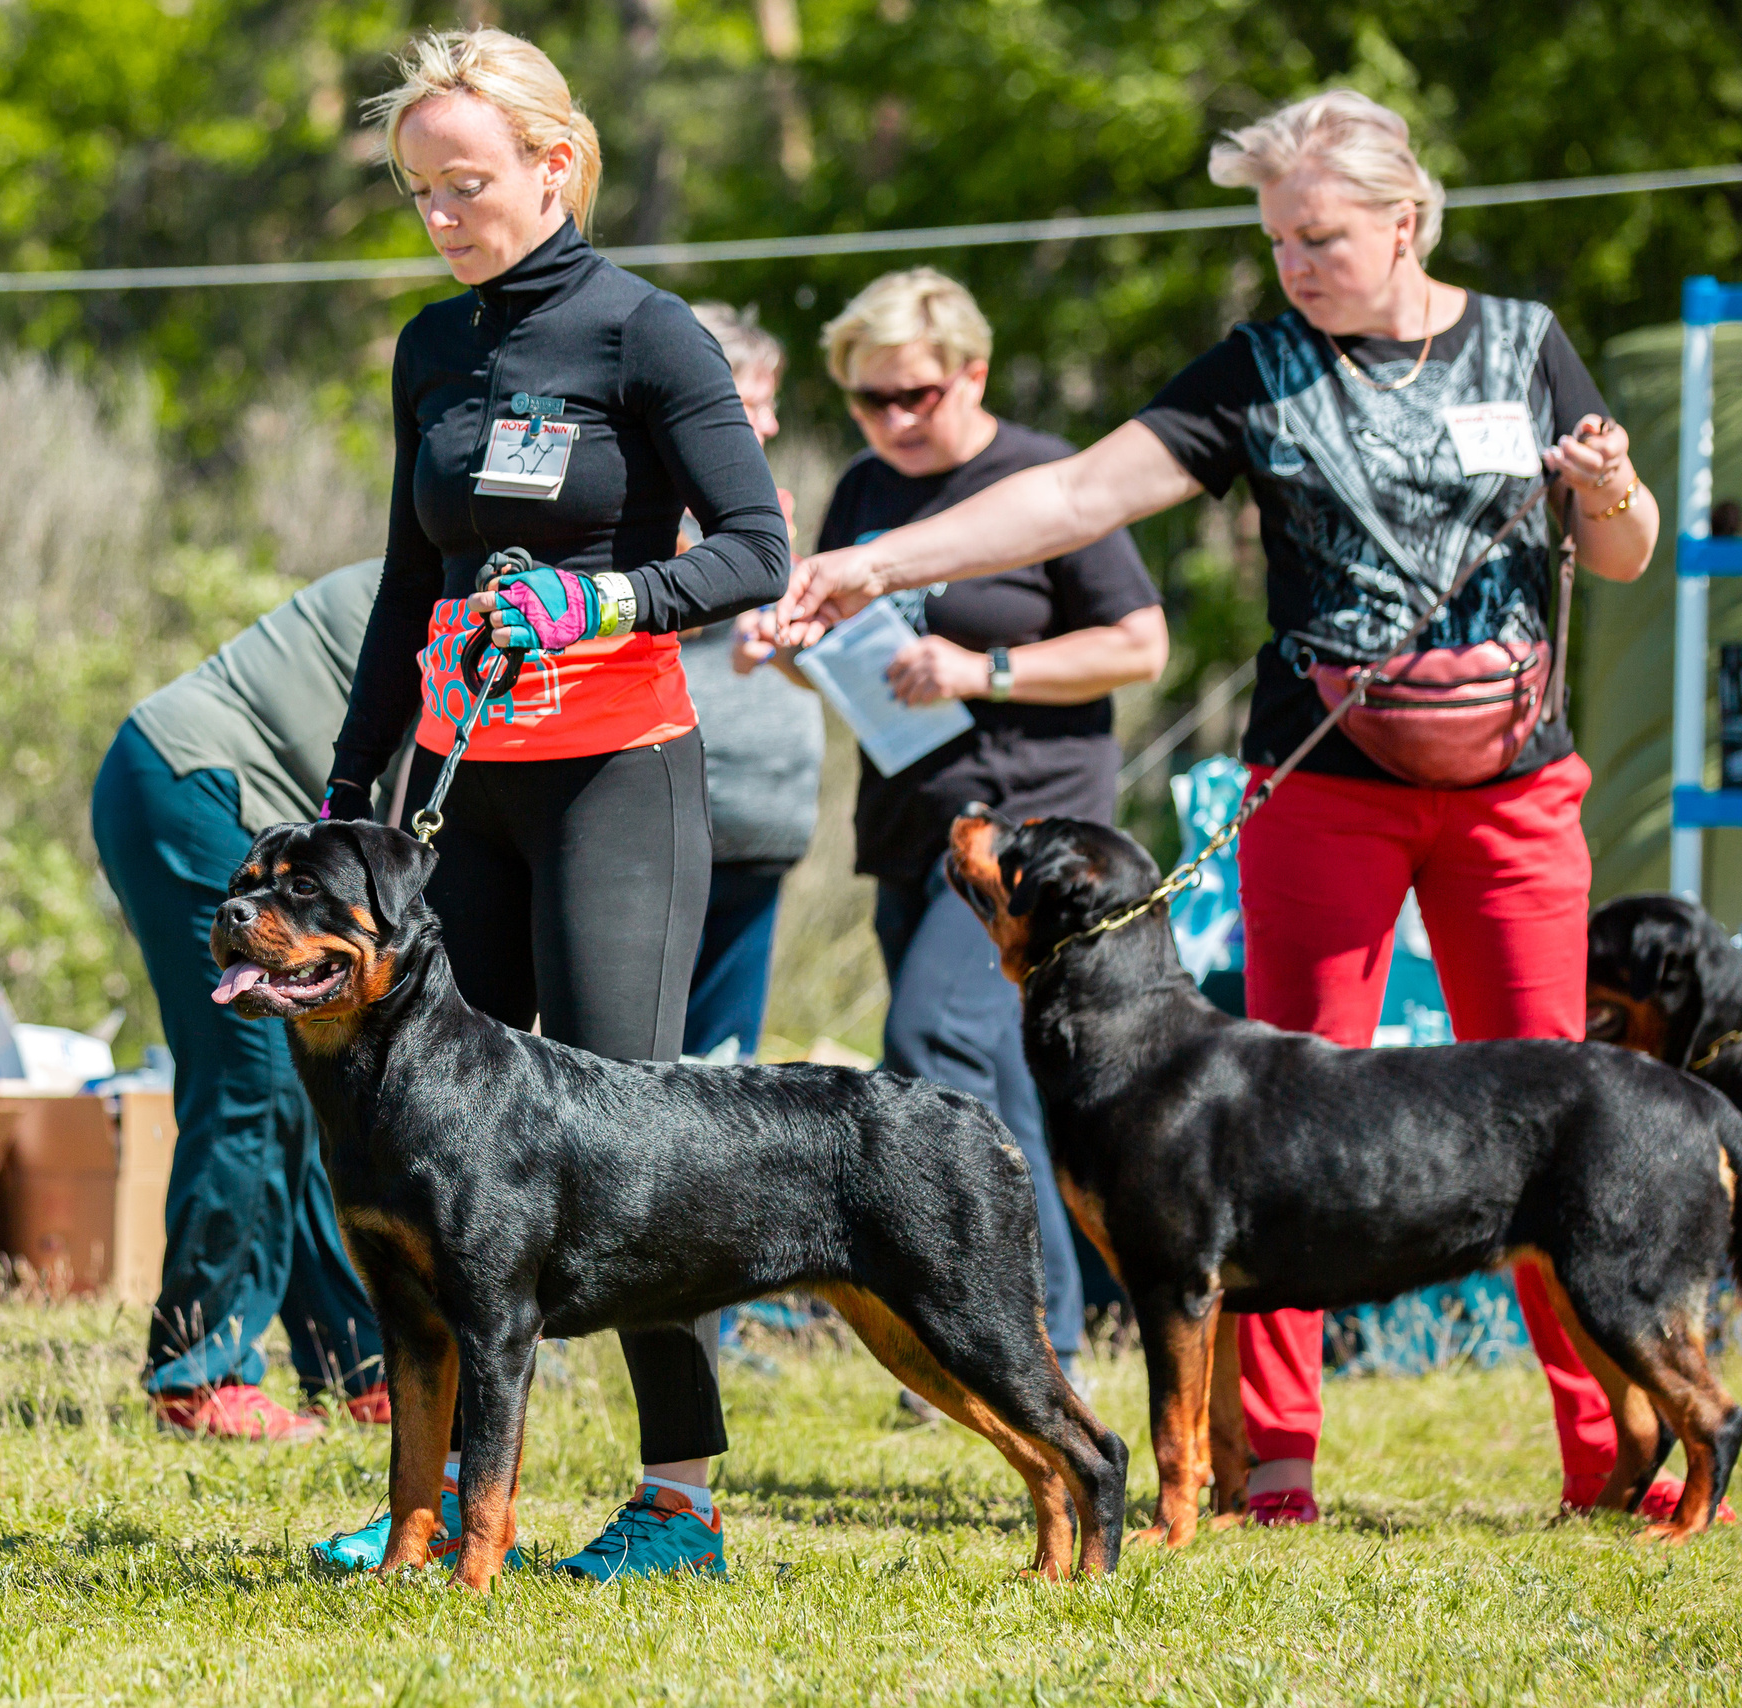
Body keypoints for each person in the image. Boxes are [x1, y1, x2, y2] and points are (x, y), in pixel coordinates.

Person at [780, 91, 1663, 1526]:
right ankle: (1269, 1470)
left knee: (1547, 1120)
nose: (1298, 264)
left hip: (1512, 798)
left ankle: (1605, 1463)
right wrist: (882, 564)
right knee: (1270, 1135)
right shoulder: (1259, 368)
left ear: (1406, 218)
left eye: (1322, 237)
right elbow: (1070, 494)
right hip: (1322, 793)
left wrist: (1613, 490)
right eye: (1279, 240)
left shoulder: (1524, 343)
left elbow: (1617, 559)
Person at [312, 27, 791, 1581]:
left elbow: (756, 552)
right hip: (463, 797)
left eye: (470, 184)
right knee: (437, 1143)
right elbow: (408, 585)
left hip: (616, 786)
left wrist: (612, 604)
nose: (446, 215)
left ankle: (680, 1501)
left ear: (553, 165)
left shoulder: (649, 335)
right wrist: (348, 789)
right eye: (421, 192)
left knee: (626, 1138)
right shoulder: (430, 349)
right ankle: (442, 1500)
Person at [798, 266, 1167, 1395]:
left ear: (973, 372)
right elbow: (849, 633)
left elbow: (1139, 645)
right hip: (910, 824)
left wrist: (984, 665)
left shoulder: (1046, 480)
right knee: (996, 1095)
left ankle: (1015, 1342)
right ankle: (1029, 1342)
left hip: (1029, 841)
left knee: (932, 1055)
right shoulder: (862, 487)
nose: (895, 420)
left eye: (915, 394)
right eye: (870, 401)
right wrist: (791, 646)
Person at [90, 562, 395, 1444]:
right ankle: (200, 1373)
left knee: (294, 1087)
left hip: (184, 776)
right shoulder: (478, 579)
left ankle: (356, 1359)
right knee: (256, 1081)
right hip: (201, 782)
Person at [677, 303, 824, 1062]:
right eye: (749, 403)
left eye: (771, 404)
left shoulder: (770, 504)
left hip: (763, 823)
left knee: (724, 1066)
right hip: (669, 822)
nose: (766, 426)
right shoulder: (643, 494)